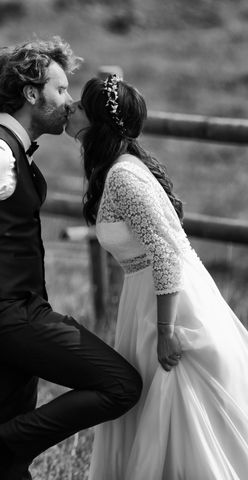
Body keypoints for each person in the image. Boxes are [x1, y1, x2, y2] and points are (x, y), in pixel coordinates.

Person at [0, 37, 142, 480]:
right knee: (120, 385)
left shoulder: (6, 144)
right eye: (60, 90)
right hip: (4, 316)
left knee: (7, 465)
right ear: (32, 94)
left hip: (10, 310)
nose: (69, 101)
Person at [66, 74, 248, 479]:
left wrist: (165, 330)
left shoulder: (124, 177)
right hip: (146, 292)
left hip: (166, 301)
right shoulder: (115, 169)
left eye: (79, 105)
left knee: (175, 406)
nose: (70, 109)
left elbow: (165, 253)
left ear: (97, 122)